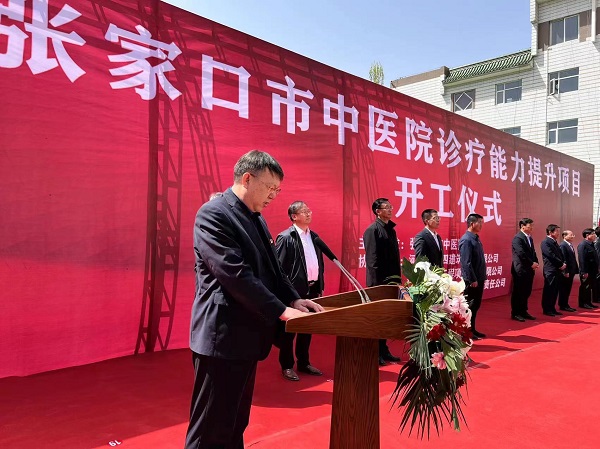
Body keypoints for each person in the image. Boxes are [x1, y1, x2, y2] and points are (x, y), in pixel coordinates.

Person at [185, 150, 324, 449]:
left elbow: (274, 270)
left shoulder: (256, 218)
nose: (273, 195)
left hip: (246, 337)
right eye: (270, 187)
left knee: (234, 423)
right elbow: (235, 274)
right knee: (210, 429)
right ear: (247, 178)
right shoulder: (213, 214)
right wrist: (280, 310)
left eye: (278, 190)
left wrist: (294, 300)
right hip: (221, 337)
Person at [275, 201, 324, 381]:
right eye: (304, 211)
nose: (309, 213)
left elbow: (318, 263)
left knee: (307, 329)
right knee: (288, 332)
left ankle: (304, 362)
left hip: (312, 290)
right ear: (294, 216)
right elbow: (279, 269)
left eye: (309, 210)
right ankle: (287, 365)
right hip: (293, 293)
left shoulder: (314, 237)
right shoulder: (286, 237)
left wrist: (319, 286)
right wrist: (288, 295)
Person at [363, 197, 402, 366]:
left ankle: (384, 349)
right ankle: (375, 351)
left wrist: (397, 280)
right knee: (378, 318)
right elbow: (372, 261)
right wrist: (376, 286)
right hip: (378, 283)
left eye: (391, 207)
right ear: (378, 212)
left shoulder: (391, 229)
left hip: (391, 282)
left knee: (387, 318)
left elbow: (395, 258)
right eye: (387, 207)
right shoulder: (372, 230)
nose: (390, 210)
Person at [458, 213, 486, 339]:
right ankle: (466, 331)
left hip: (479, 278)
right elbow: (466, 262)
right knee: (470, 306)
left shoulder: (475, 238)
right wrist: (472, 279)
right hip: (472, 280)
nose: (481, 225)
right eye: (479, 222)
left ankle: (472, 329)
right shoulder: (466, 240)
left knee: (476, 305)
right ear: (471, 223)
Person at [510, 218, 539, 322]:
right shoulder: (518, 238)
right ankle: (516, 313)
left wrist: (536, 262)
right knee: (518, 291)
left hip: (529, 269)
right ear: (522, 226)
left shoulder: (529, 238)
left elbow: (533, 252)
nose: (532, 228)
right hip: (520, 269)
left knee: (527, 291)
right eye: (530, 225)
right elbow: (521, 253)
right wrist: (531, 263)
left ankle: (523, 311)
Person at [540, 224, 567, 317]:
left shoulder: (555, 242)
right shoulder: (545, 242)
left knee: (555, 290)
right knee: (549, 290)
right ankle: (547, 309)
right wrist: (560, 264)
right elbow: (550, 255)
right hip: (550, 270)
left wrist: (563, 263)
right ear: (550, 232)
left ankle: (552, 308)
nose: (558, 233)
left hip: (557, 270)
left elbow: (560, 255)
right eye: (556, 231)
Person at [577, 228, 599, 310]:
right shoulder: (583, 245)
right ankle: (583, 303)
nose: (595, 236)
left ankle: (588, 302)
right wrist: (584, 271)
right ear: (587, 235)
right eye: (593, 234)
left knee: (589, 287)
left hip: (592, 270)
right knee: (585, 286)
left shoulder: (591, 244)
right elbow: (582, 259)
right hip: (586, 270)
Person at [558, 229, 578, 312]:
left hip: (571, 270)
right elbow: (564, 259)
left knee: (568, 288)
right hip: (567, 271)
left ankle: (565, 304)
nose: (573, 236)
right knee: (564, 288)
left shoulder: (570, 245)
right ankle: (563, 305)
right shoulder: (563, 245)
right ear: (564, 236)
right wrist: (565, 271)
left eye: (573, 235)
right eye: (571, 235)